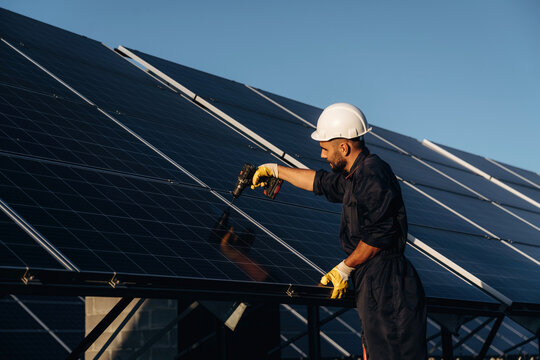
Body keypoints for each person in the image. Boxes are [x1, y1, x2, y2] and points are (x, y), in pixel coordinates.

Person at [251, 103, 427, 359]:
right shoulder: (354, 176)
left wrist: (345, 267)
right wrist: (276, 170)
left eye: (325, 148)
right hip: (374, 278)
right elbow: (319, 182)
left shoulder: (372, 174)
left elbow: (380, 233)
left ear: (343, 147)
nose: (322, 155)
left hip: (387, 281)